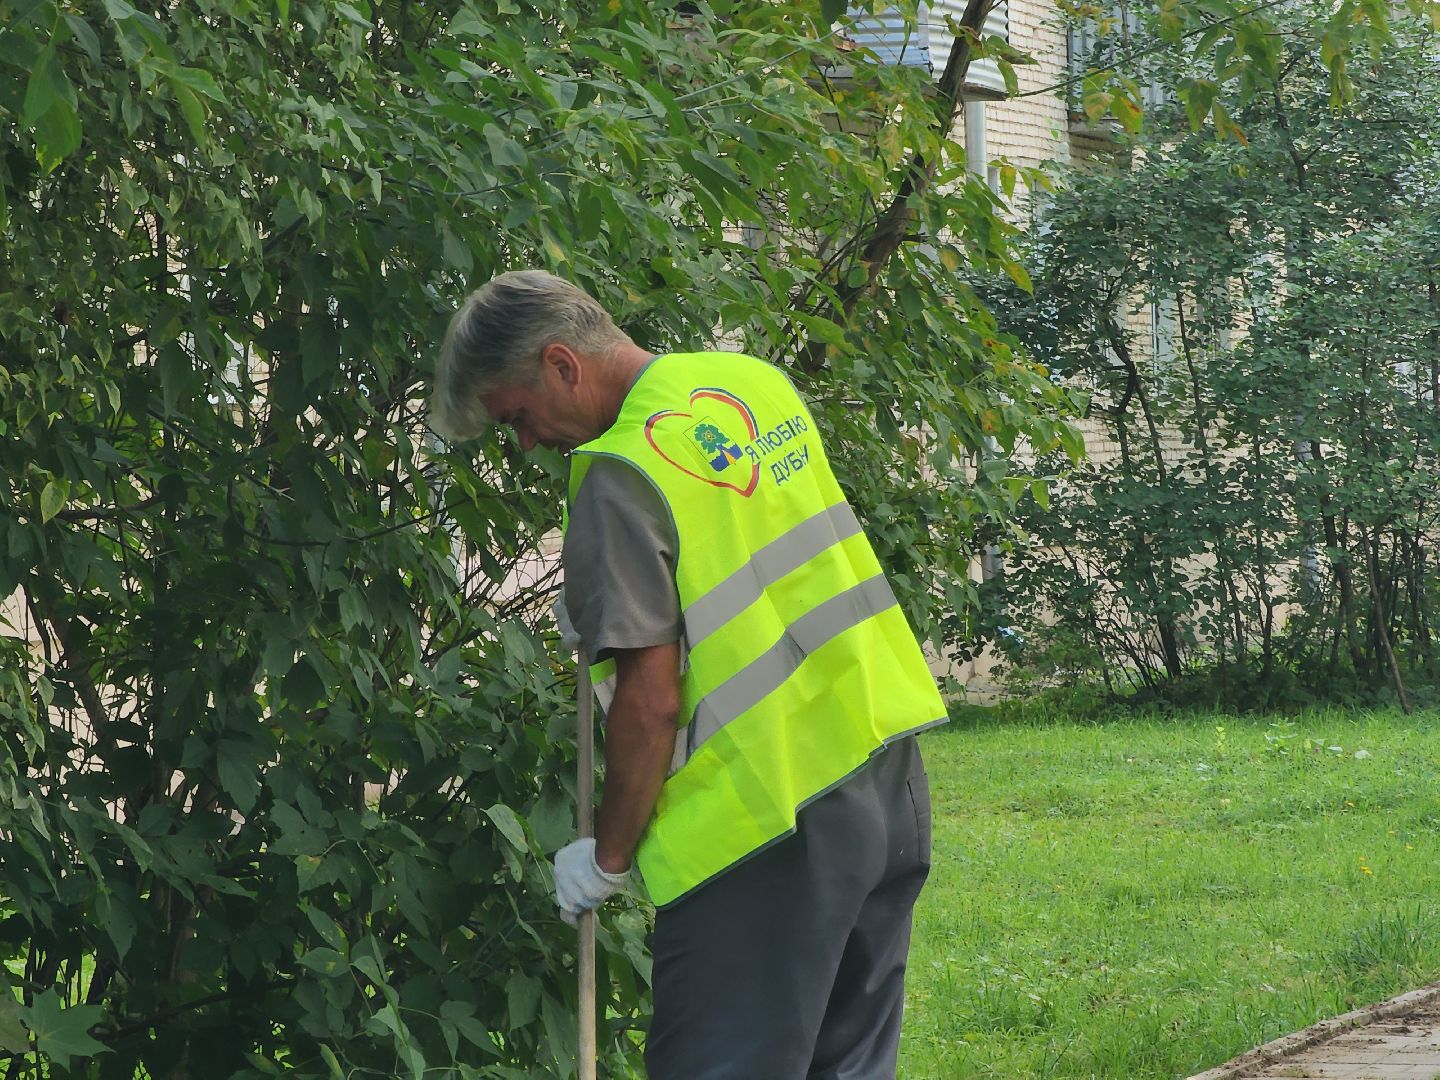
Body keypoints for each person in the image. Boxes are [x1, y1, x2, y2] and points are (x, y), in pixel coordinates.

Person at [431, 270, 947, 1079]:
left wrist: (605, 856)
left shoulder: (616, 473)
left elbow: (651, 700)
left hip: (759, 835)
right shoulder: (751, 384)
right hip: (883, 782)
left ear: (563, 364)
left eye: (517, 417)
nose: (527, 444)